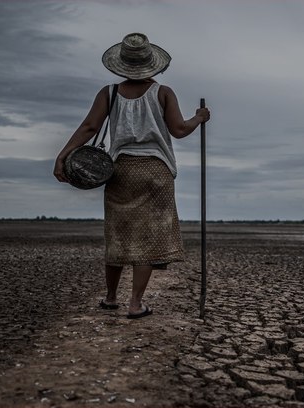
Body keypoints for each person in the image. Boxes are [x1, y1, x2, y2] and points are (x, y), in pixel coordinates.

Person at [53, 33, 210, 319]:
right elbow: (179, 129)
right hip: (156, 171)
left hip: (120, 170)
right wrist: (198, 119)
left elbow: (89, 127)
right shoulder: (163, 92)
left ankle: (111, 297)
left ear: (122, 64)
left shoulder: (109, 93)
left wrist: (63, 154)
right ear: (152, 64)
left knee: (118, 234)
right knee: (148, 239)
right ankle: (135, 304)